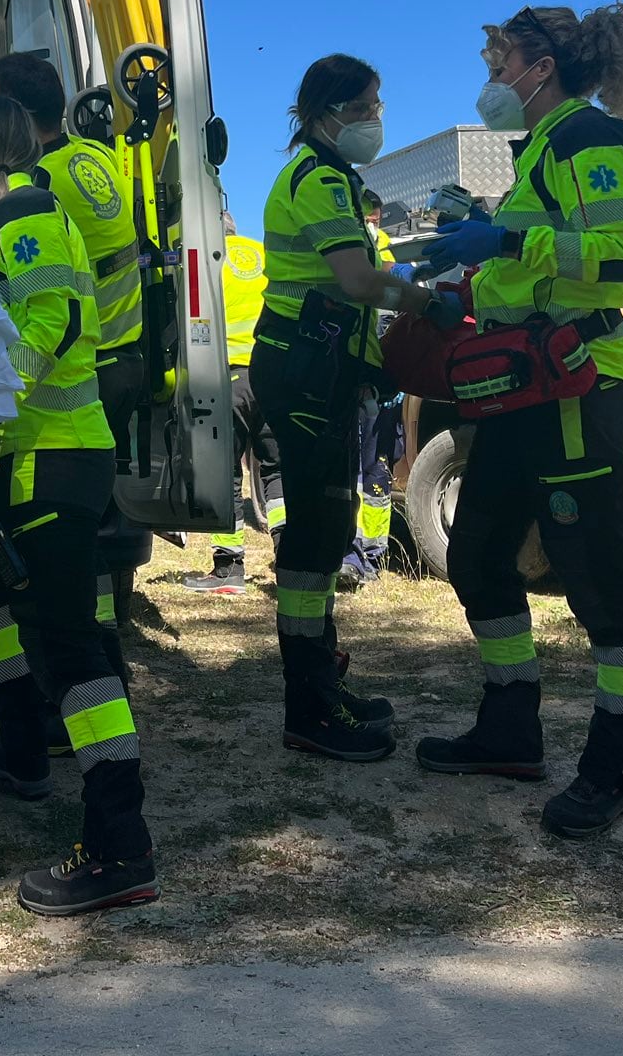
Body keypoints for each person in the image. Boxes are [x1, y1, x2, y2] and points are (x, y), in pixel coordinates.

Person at [412, 2, 623, 840]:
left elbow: (618, 252)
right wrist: (463, 282)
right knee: (479, 555)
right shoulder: (539, 155)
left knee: (600, 582)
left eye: (497, 65)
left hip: (581, 392)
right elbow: (526, 269)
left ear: (538, 66)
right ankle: (510, 730)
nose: (491, 82)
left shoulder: (590, 138)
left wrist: (499, 244)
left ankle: (614, 767)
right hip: (525, 393)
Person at [0, 95, 161, 916]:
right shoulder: (22, 213)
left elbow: (57, 318)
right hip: (38, 452)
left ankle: (120, 843)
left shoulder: (22, 211)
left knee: (73, 654)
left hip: (51, 453)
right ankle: (23, 745)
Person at [254, 54, 449, 762]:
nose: (376, 118)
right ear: (327, 110)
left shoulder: (332, 176)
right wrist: (424, 298)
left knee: (328, 524)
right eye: (365, 105)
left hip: (323, 366)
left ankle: (321, 680)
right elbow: (356, 279)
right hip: (308, 369)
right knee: (313, 539)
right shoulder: (320, 179)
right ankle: (306, 705)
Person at [0, 51, 148, 647]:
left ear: (20, 117)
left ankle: (87, 644)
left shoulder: (36, 190)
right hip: (123, 355)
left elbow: (48, 306)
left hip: (76, 373)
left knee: (65, 541)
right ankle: (98, 632)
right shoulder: (96, 159)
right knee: (95, 529)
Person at [183, 212, 283, 594]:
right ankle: (287, 555)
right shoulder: (262, 254)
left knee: (225, 471)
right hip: (270, 374)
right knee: (275, 469)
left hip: (229, 376)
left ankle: (228, 567)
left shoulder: (207, 259)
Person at [341, 190, 400, 587]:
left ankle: (366, 554)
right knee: (373, 467)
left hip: (368, 375)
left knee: (368, 468)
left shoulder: (384, 255)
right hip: (373, 376)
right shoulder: (387, 254)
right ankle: (368, 555)